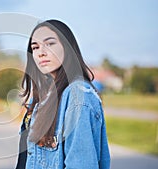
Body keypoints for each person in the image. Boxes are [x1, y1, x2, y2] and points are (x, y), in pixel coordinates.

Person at [15, 19, 110, 169]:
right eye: (35, 47)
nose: (41, 52)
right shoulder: (43, 96)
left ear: (68, 47)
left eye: (50, 43)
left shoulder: (78, 96)